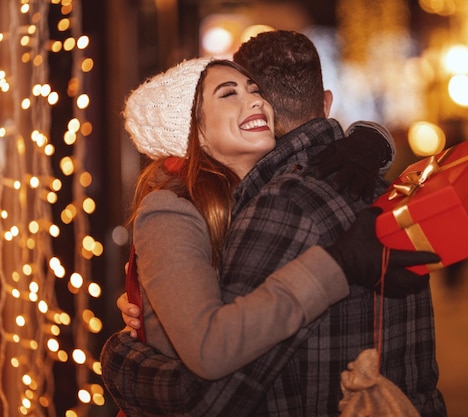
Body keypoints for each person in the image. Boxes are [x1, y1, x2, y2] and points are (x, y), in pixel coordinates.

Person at [102, 30, 447, 417]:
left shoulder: (265, 198)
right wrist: (120, 350)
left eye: (254, 90)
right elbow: (208, 366)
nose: (253, 100)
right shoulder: (175, 208)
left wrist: (373, 140)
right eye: (229, 93)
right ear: (193, 130)